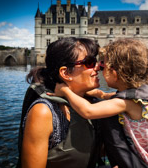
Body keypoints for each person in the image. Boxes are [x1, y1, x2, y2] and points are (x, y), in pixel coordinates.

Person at [53, 38, 148, 168]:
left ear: (114, 73)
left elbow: (88, 110)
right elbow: (109, 96)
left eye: (103, 66)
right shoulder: (140, 94)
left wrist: (65, 91)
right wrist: (97, 93)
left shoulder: (125, 103)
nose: (98, 68)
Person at [17, 37, 109, 168]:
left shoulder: (91, 103)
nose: (98, 67)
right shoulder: (44, 112)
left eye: (96, 61)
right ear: (65, 73)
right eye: (90, 62)